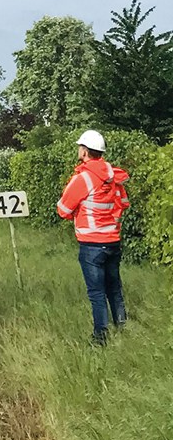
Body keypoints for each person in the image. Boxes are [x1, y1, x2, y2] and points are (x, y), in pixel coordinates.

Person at [56, 129, 129, 346]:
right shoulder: (113, 177)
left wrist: (79, 214)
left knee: (97, 293)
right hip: (113, 241)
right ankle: (123, 328)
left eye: (80, 147)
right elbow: (123, 204)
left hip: (91, 245)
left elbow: (62, 210)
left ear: (85, 151)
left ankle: (100, 338)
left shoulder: (83, 178)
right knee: (114, 289)